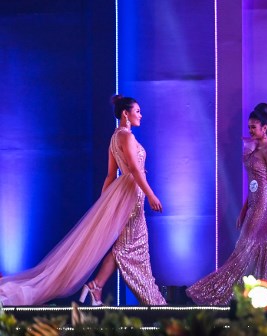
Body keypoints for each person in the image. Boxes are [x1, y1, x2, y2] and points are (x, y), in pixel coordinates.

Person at [0, 95, 166, 306]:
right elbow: (134, 169)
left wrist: (103, 204)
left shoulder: (115, 138)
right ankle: (122, 292)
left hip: (123, 195)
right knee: (131, 247)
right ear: (126, 113)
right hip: (131, 196)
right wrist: (151, 194)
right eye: (138, 111)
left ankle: (96, 286)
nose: (141, 115)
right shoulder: (127, 137)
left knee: (126, 246)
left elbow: (109, 175)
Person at [186, 103, 267, 304]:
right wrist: (244, 209)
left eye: (254, 127)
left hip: (264, 202)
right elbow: (252, 183)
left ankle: (224, 291)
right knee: (265, 246)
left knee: (245, 245)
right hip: (254, 201)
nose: (250, 130)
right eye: (249, 127)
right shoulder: (254, 147)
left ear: (264, 128)